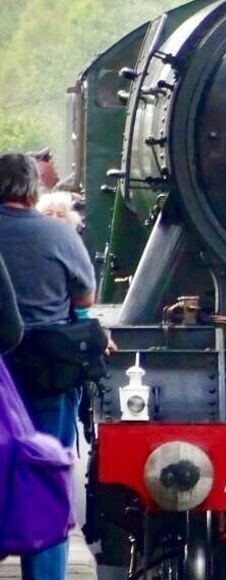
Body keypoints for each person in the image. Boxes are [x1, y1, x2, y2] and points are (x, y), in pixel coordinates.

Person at [0, 152, 96, 579]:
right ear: (31, 189)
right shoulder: (58, 235)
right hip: (47, 371)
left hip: (2, 373)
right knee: (47, 477)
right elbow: (85, 299)